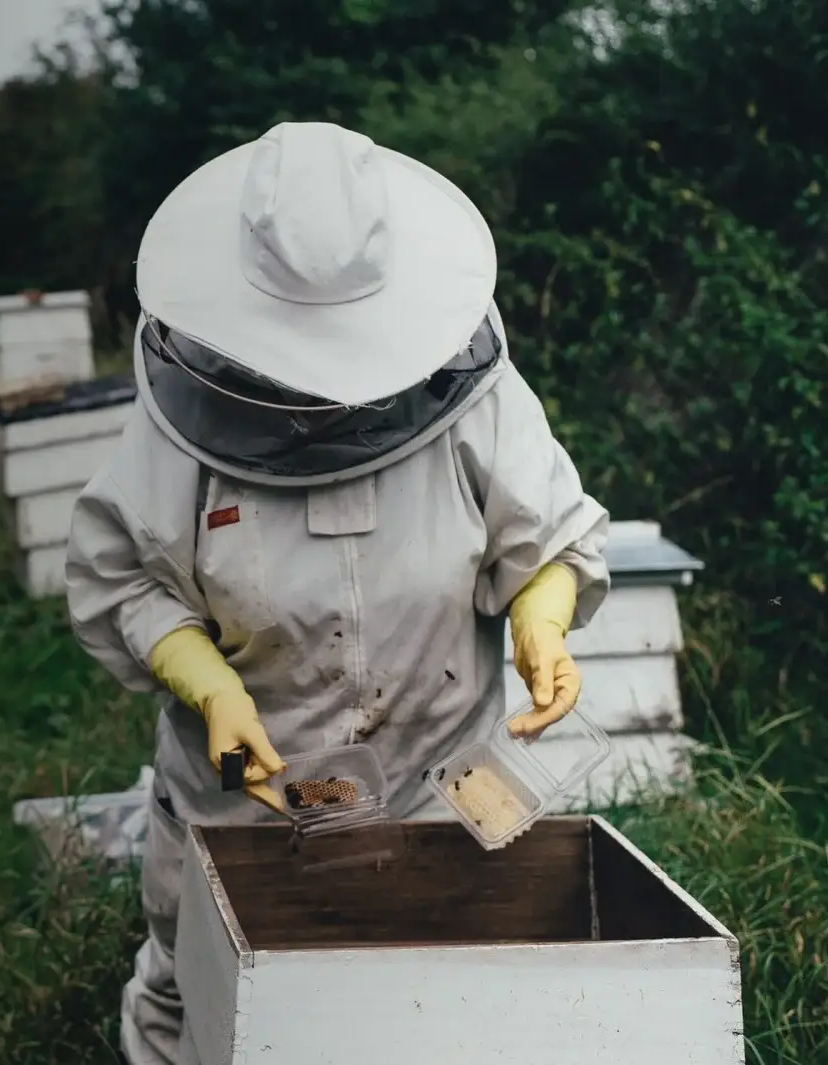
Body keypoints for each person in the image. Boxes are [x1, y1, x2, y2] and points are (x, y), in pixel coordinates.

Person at [63, 121, 611, 1065]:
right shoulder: (177, 429)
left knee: (433, 1015)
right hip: (248, 804)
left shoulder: (474, 394)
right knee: (205, 1005)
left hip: (446, 788)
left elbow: (546, 534)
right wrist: (211, 687)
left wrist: (542, 617)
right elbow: (127, 580)